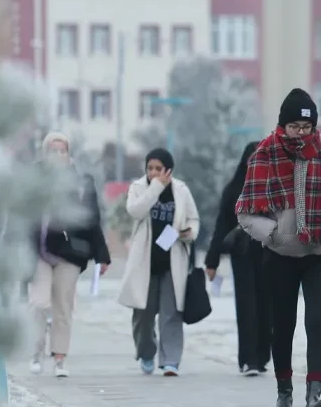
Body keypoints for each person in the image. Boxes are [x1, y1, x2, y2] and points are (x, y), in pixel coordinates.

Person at [236, 88, 321, 407]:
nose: (300, 134)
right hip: (280, 256)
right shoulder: (263, 159)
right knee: (283, 326)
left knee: (316, 321)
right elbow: (244, 212)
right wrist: (273, 233)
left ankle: (314, 397)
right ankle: (284, 394)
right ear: (282, 125)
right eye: (294, 126)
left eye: (306, 127)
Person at [28, 132, 111, 378]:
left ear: (69, 154)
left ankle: (60, 357)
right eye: (52, 150)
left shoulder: (81, 182)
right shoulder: (33, 180)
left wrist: (102, 255)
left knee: (63, 305)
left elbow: (92, 219)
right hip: (39, 251)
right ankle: (36, 351)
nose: (58, 155)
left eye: (62, 150)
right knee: (39, 303)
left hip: (70, 251)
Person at [117, 147, 200, 376]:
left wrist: (189, 232)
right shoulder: (138, 188)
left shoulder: (181, 190)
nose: (153, 172)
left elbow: (193, 218)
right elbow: (135, 211)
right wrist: (156, 187)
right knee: (143, 314)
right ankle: (146, 352)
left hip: (172, 261)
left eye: (158, 168)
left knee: (171, 313)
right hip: (145, 261)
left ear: (168, 169)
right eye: (150, 168)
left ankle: (171, 360)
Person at [205, 141, 270, 377]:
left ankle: (263, 356)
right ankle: (249, 359)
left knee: (267, 306)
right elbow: (221, 225)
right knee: (246, 305)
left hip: (269, 253)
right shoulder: (234, 189)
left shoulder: (275, 187)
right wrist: (212, 260)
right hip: (242, 254)